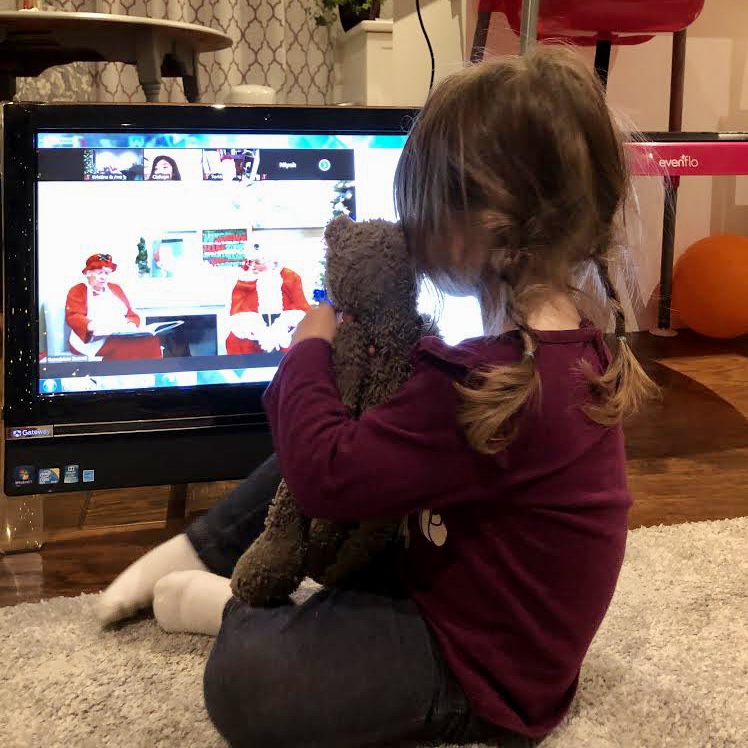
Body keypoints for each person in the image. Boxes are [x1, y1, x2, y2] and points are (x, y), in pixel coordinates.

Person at [95, 47, 658, 747]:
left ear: (484, 223)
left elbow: (328, 477)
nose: (409, 232)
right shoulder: (571, 349)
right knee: (342, 435)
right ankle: (199, 550)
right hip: (467, 593)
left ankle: (235, 602)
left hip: (483, 672)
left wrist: (307, 351)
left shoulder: (486, 384)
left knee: (244, 680)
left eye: (420, 209)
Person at [65, 253, 162, 360]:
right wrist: (93, 327)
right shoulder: (78, 290)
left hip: (119, 334)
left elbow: (131, 314)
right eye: (99, 273)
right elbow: (73, 316)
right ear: (88, 273)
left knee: (151, 340)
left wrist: (130, 326)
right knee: (126, 346)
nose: (103, 277)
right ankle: (119, 375)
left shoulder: (115, 288)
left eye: (106, 273)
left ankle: (150, 375)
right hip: (90, 341)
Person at [225, 245, 311, 355]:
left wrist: (284, 324)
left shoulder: (289, 276)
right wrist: (256, 329)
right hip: (253, 328)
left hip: (285, 327)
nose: (252, 266)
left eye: (257, 262)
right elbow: (236, 312)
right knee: (235, 341)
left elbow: (301, 307)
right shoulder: (244, 279)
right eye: (249, 262)